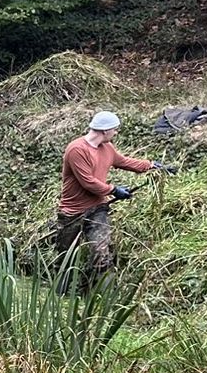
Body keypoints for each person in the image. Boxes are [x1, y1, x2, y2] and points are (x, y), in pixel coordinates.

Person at [55, 110, 175, 284]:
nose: (116, 133)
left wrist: (152, 165)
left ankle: (101, 295)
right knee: (66, 256)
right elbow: (88, 182)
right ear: (104, 130)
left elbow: (124, 162)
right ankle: (60, 292)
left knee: (101, 252)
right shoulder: (77, 149)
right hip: (72, 212)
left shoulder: (107, 148)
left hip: (97, 209)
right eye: (115, 129)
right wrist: (113, 190)